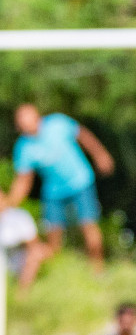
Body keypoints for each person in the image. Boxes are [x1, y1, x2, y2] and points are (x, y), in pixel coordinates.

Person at [7, 104, 113, 271]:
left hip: (80, 182)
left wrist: (101, 155)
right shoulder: (24, 147)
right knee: (53, 239)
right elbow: (23, 181)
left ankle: (98, 270)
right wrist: (9, 204)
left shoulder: (58, 123)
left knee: (88, 225)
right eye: (22, 121)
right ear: (19, 126)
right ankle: (56, 273)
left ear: (37, 116)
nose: (26, 123)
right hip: (54, 192)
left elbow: (84, 136)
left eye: (28, 118)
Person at [0, 184, 48, 295]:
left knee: (35, 253)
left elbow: (33, 244)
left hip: (14, 259)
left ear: (4, 200)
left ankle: (22, 293)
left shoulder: (19, 217)